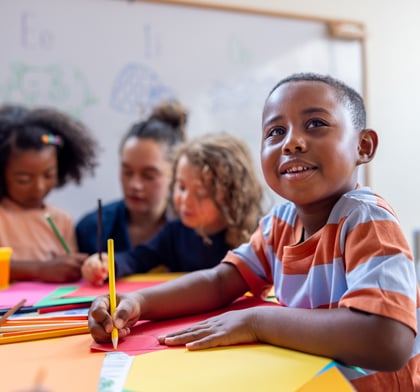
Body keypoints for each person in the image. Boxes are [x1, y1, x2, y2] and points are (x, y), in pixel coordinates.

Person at [88, 73, 420, 390]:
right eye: (275, 132)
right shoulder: (281, 222)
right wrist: (138, 303)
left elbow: (387, 340)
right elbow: (220, 282)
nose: (292, 143)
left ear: (363, 146)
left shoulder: (366, 220)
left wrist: (257, 322)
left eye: (316, 124)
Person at [81, 132, 263, 284]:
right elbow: (137, 258)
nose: (185, 200)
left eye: (200, 193)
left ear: (232, 196)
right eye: (181, 187)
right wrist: (108, 264)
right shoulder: (174, 233)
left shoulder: (257, 235)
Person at [0, 103, 98, 282]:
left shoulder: (62, 220)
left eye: (49, 175)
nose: (38, 187)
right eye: (24, 179)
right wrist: (39, 269)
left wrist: (85, 267)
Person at [76, 100, 188, 255]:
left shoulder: (194, 229)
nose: (135, 185)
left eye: (149, 176)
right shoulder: (92, 229)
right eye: (127, 172)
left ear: (175, 174)